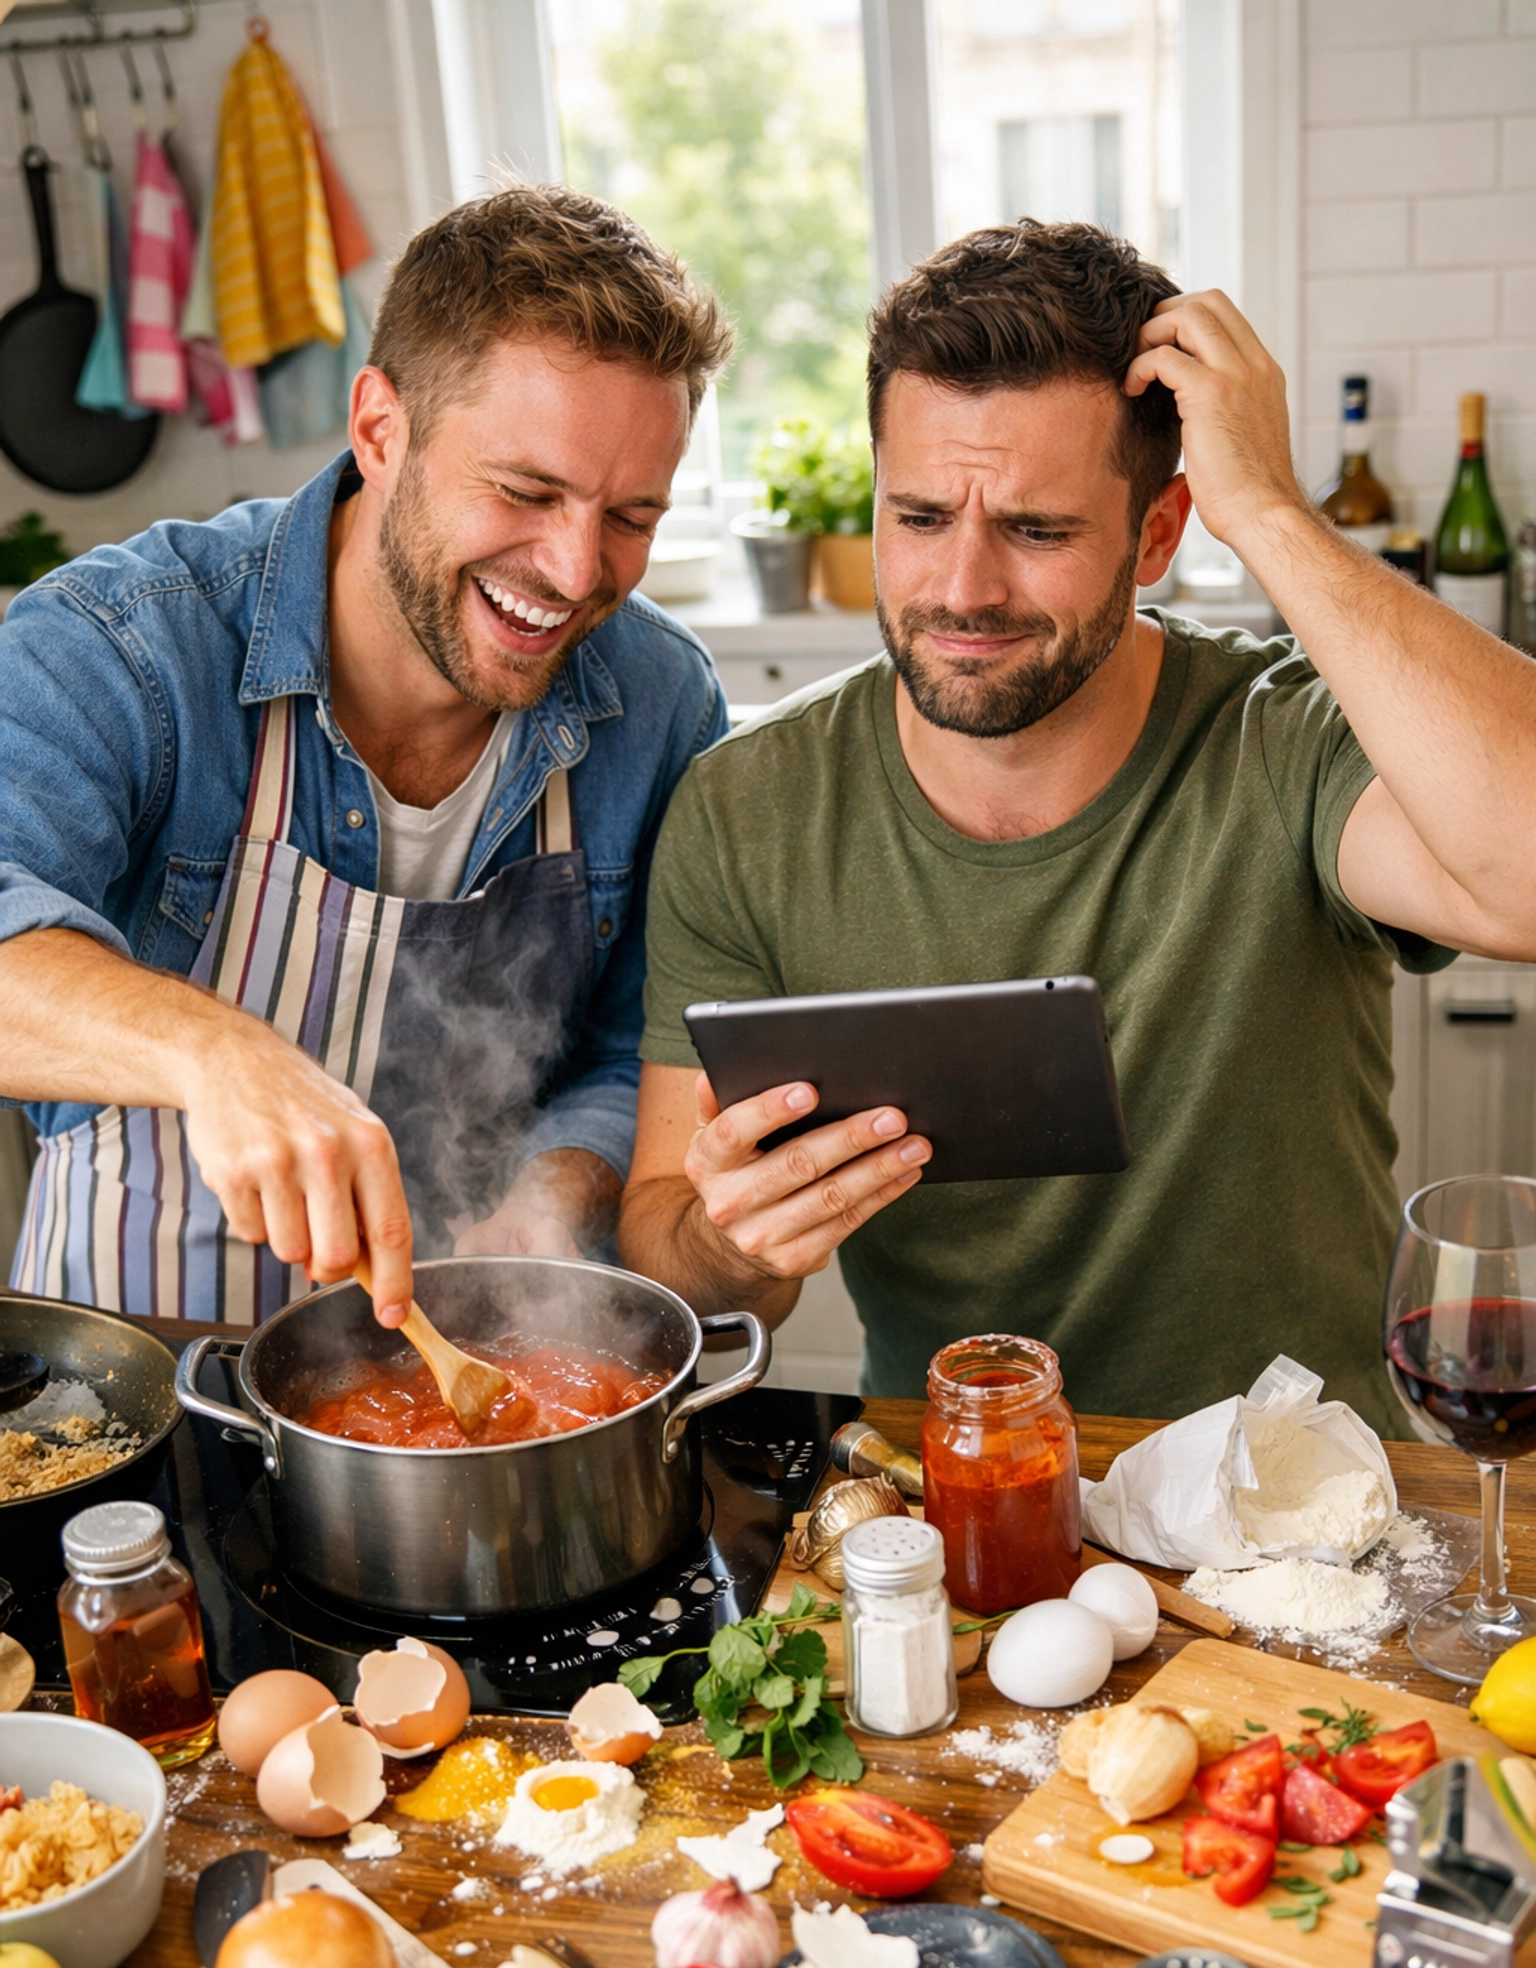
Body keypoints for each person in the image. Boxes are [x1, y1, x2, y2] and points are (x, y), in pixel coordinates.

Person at [619, 221, 1536, 1432]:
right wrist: (739, 1247)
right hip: (959, 1500)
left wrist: (1267, 510)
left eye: (1038, 531)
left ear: (1158, 534)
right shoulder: (747, 811)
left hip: (1298, 1509)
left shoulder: (1286, 742)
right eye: (921, 516)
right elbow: (665, 1262)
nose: (963, 588)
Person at [0, 185, 732, 1330]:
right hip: (136, 1378)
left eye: (631, 515)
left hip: (471, 1376)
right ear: (381, 430)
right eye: (526, 492)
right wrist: (217, 1053)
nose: (580, 569)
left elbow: (636, 1053)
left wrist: (551, 1199)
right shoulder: (128, 644)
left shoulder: (660, 704)